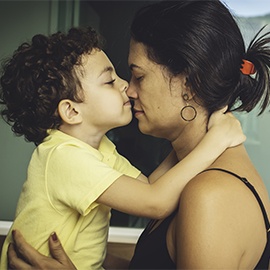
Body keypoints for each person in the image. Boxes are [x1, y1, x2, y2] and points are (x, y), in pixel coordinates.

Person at [5, 0, 270, 269]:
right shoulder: (190, 173)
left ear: (189, 82)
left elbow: (152, 198)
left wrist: (212, 142)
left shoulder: (212, 197)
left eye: (139, 77)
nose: (128, 90)